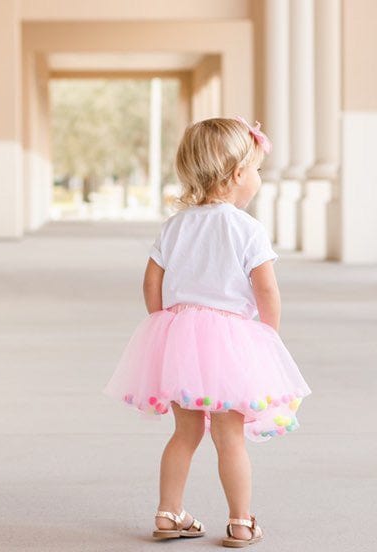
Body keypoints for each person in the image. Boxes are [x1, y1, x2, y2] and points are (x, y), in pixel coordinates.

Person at [102, 116, 311, 548]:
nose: (256, 178)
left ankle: (168, 513)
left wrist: (165, 324)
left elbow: (150, 283)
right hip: (231, 345)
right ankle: (239, 522)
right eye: (255, 170)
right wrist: (265, 337)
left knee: (185, 432)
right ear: (237, 175)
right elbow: (266, 288)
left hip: (182, 340)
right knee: (229, 435)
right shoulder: (247, 228)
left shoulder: (175, 226)